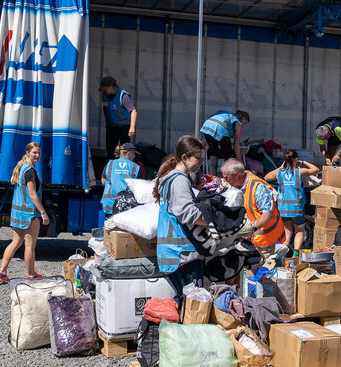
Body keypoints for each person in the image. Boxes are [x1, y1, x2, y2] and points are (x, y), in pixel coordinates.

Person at [154, 136, 208, 299]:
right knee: (193, 307)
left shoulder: (168, 179)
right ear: (184, 158)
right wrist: (213, 221)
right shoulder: (179, 181)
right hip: (183, 255)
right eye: (198, 159)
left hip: (171, 254)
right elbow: (187, 213)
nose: (200, 163)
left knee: (181, 304)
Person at [0, 143, 49, 283]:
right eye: (34, 152)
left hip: (19, 213)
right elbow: (32, 194)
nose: (37, 155)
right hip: (30, 214)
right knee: (30, 245)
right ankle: (31, 275)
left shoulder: (22, 167)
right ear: (27, 153)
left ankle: (2, 273)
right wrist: (43, 212)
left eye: (38, 152)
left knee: (15, 243)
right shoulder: (30, 171)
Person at [222, 159, 285, 259]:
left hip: (263, 241)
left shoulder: (258, 187)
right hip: (250, 239)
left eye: (226, 177)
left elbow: (267, 215)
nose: (224, 180)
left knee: (262, 271)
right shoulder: (239, 184)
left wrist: (250, 230)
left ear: (236, 175)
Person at [264, 150, 319, 254]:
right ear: (296, 159)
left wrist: (281, 167)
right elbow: (316, 169)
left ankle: (282, 253)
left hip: (283, 207)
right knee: (299, 230)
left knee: (287, 231)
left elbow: (266, 177)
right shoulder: (300, 172)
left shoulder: (279, 173)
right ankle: (296, 253)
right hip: (296, 208)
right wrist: (303, 162)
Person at [200, 110, 249, 176]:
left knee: (213, 151)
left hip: (207, 125)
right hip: (221, 127)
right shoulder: (239, 123)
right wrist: (239, 160)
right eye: (245, 123)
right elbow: (236, 144)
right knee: (228, 154)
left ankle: (213, 177)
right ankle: (226, 176)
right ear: (243, 118)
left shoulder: (227, 115)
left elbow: (214, 124)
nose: (244, 125)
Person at [101, 142, 142, 217]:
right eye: (134, 154)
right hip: (126, 205)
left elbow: (103, 181)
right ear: (129, 153)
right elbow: (140, 187)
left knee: (109, 227)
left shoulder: (110, 163)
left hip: (109, 203)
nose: (135, 156)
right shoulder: (135, 167)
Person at [98, 76, 137, 152]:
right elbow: (105, 108)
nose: (104, 91)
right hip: (112, 125)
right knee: (110, 148)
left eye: (105, 89)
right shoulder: (104, 95)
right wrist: (107, 122)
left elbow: (133, 111)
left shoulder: (123, 96)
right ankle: (111, 162)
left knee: (124, 150)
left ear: (111, 86)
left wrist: (132, 128)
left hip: (125, 126)